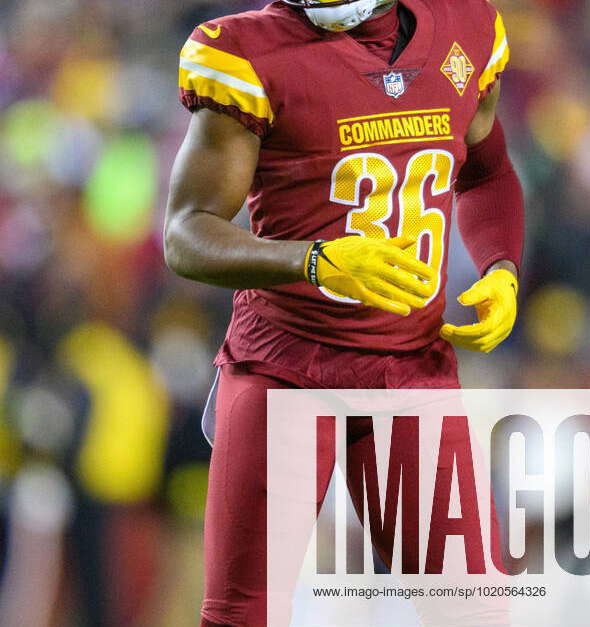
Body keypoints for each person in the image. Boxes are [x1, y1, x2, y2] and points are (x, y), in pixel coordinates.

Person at [164, 0, 524, 625]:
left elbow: (487, 173)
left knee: (476, 612)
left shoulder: (464, 30)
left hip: (411, 371)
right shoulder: (248, 51)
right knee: (245, 614)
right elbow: (186, 233)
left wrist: (500, 267)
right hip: (286, 367)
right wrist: (313, 261)